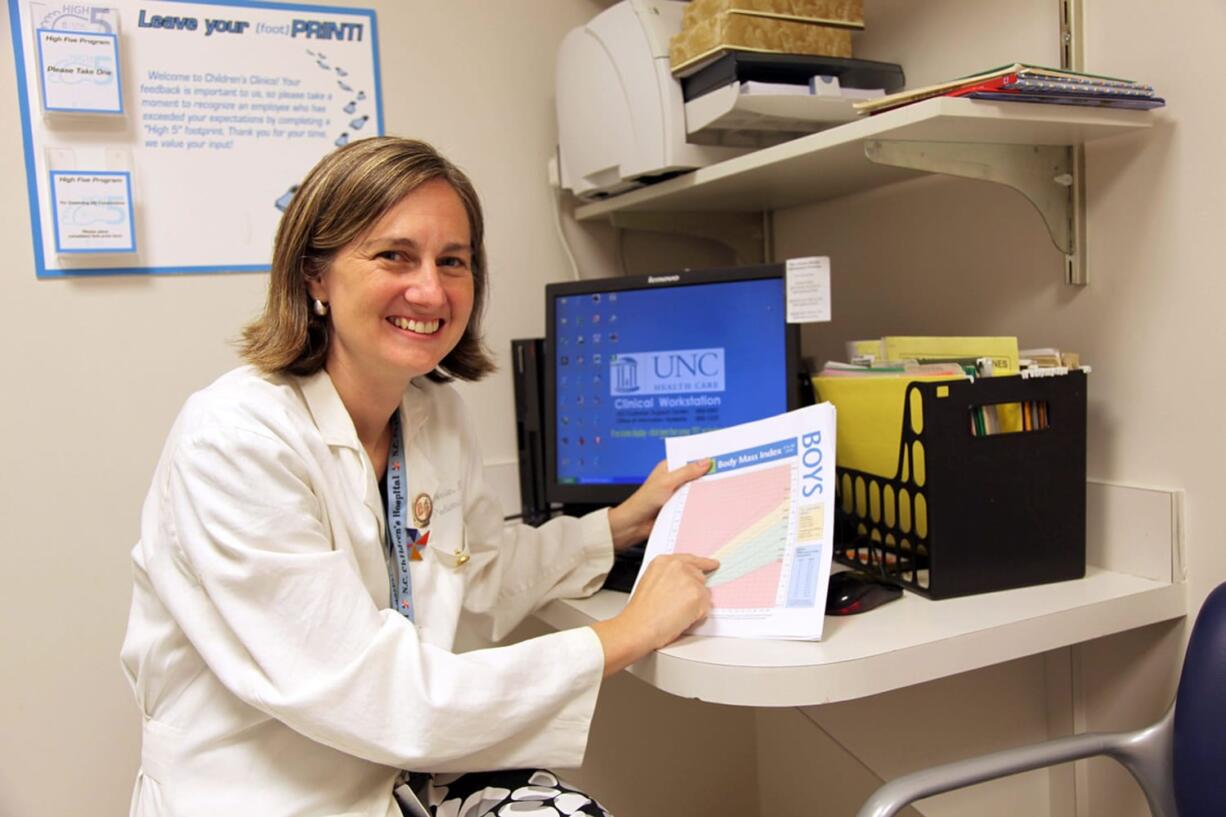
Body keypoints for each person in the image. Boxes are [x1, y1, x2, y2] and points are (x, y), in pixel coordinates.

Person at [120, 136, 719, 817]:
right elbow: (376, 691)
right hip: (272, 795)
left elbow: (479, 573)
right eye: (393, 255)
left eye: (453, 261)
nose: (430, 289)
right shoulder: (234, 439)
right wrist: (627, 632)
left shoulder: (433, 412)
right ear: (315, 275)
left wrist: (616, 527)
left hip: (403, 775)